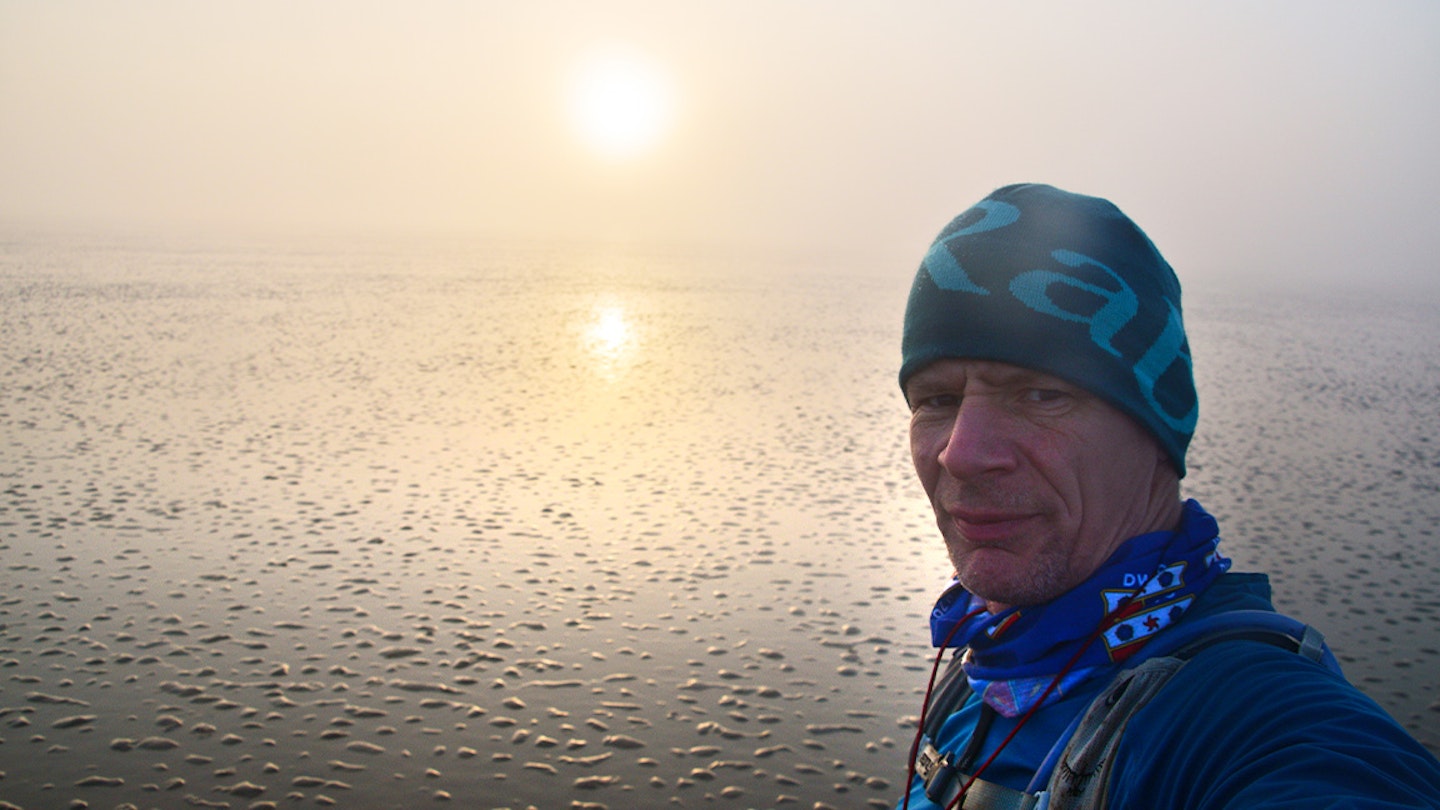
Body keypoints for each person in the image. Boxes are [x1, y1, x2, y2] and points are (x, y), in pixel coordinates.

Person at [894, 183, 1440, 809]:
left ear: (1157, 430)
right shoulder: (982, 663)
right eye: (937, 400)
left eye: (1041, 395)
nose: (960, 453)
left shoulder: (1251, 722)